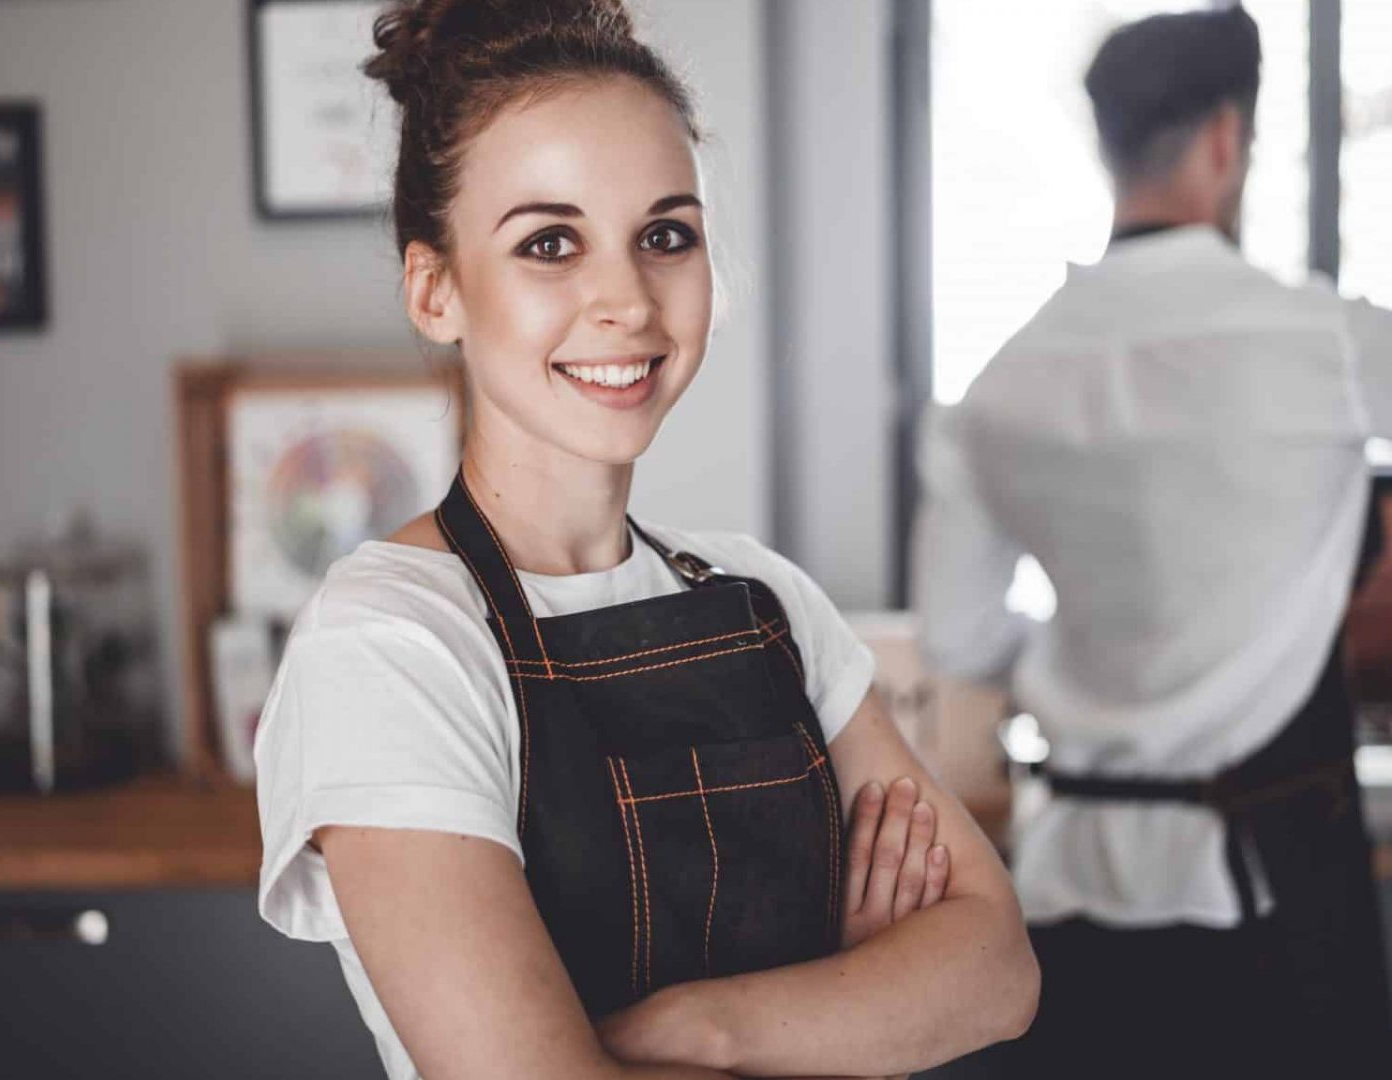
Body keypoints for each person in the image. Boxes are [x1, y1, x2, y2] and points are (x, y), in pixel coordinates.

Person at [252, 3, 1039, 1078]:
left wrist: (696, 1031)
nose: (624, 298)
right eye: (549, 243)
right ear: (436, 290)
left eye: (665, 235)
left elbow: (996, 970)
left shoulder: (767, 599)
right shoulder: (392, 645)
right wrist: (854, 1013)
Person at [912, 6, 1392, 1078]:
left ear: (1111, 147)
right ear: (1228, 142)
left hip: (1068, 880)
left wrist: (1101, 662)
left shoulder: (998, 387)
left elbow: (959, 635)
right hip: (1269, 896)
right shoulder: (1324, 342)